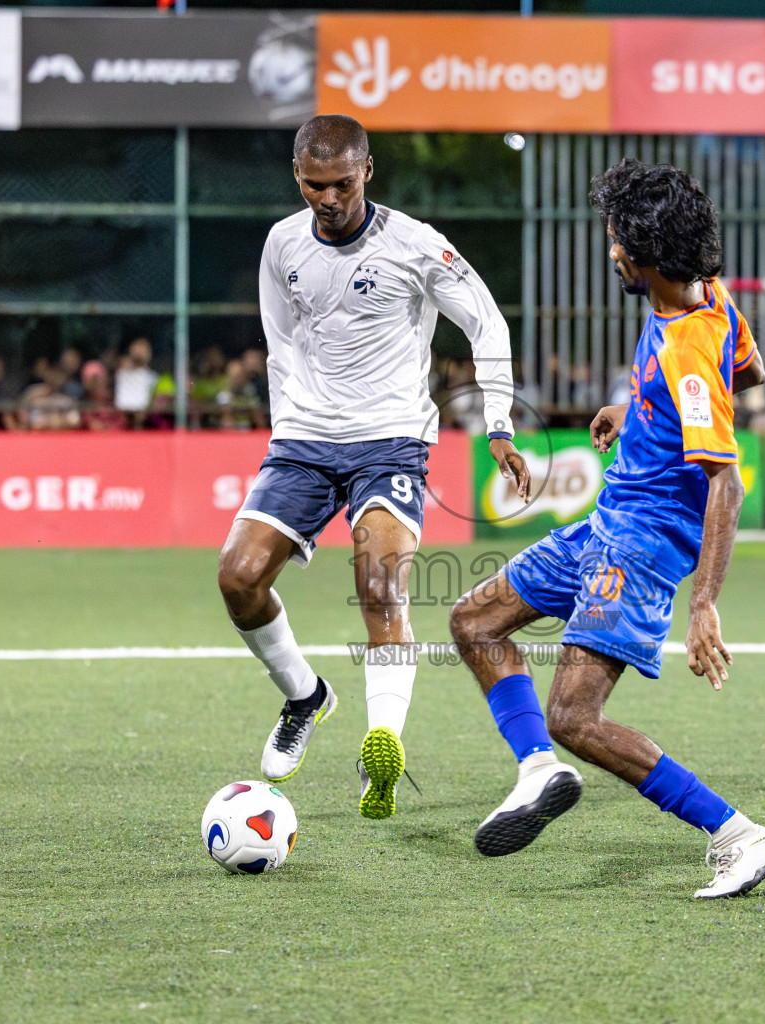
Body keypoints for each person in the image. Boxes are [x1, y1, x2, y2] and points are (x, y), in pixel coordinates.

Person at [447, 159, 765, 899]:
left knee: (573, 712)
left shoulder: (688, 346)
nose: (611, 253)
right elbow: (749, 372)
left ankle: (737, 834)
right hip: (607, 524)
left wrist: (703, 604)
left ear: (649, 255)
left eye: (617, 242)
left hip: (641, 543)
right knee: (475, 620)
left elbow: (724, 477)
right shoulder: (710, 301)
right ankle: (538, 771)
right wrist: (643, 410)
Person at [216, 114, 529, 820]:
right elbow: (280, 343)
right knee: (237, 579)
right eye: (314, 185)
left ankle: (380, 741)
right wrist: (285, 427)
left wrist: (500, 422)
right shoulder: (282, 244)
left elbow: (487, 321)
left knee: (380, 581)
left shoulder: (416, 245)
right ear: (297, 176)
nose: (329, 199)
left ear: (368, 172)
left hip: (389, 440)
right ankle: (305, 697)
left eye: (343, 184)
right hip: (303, 441)